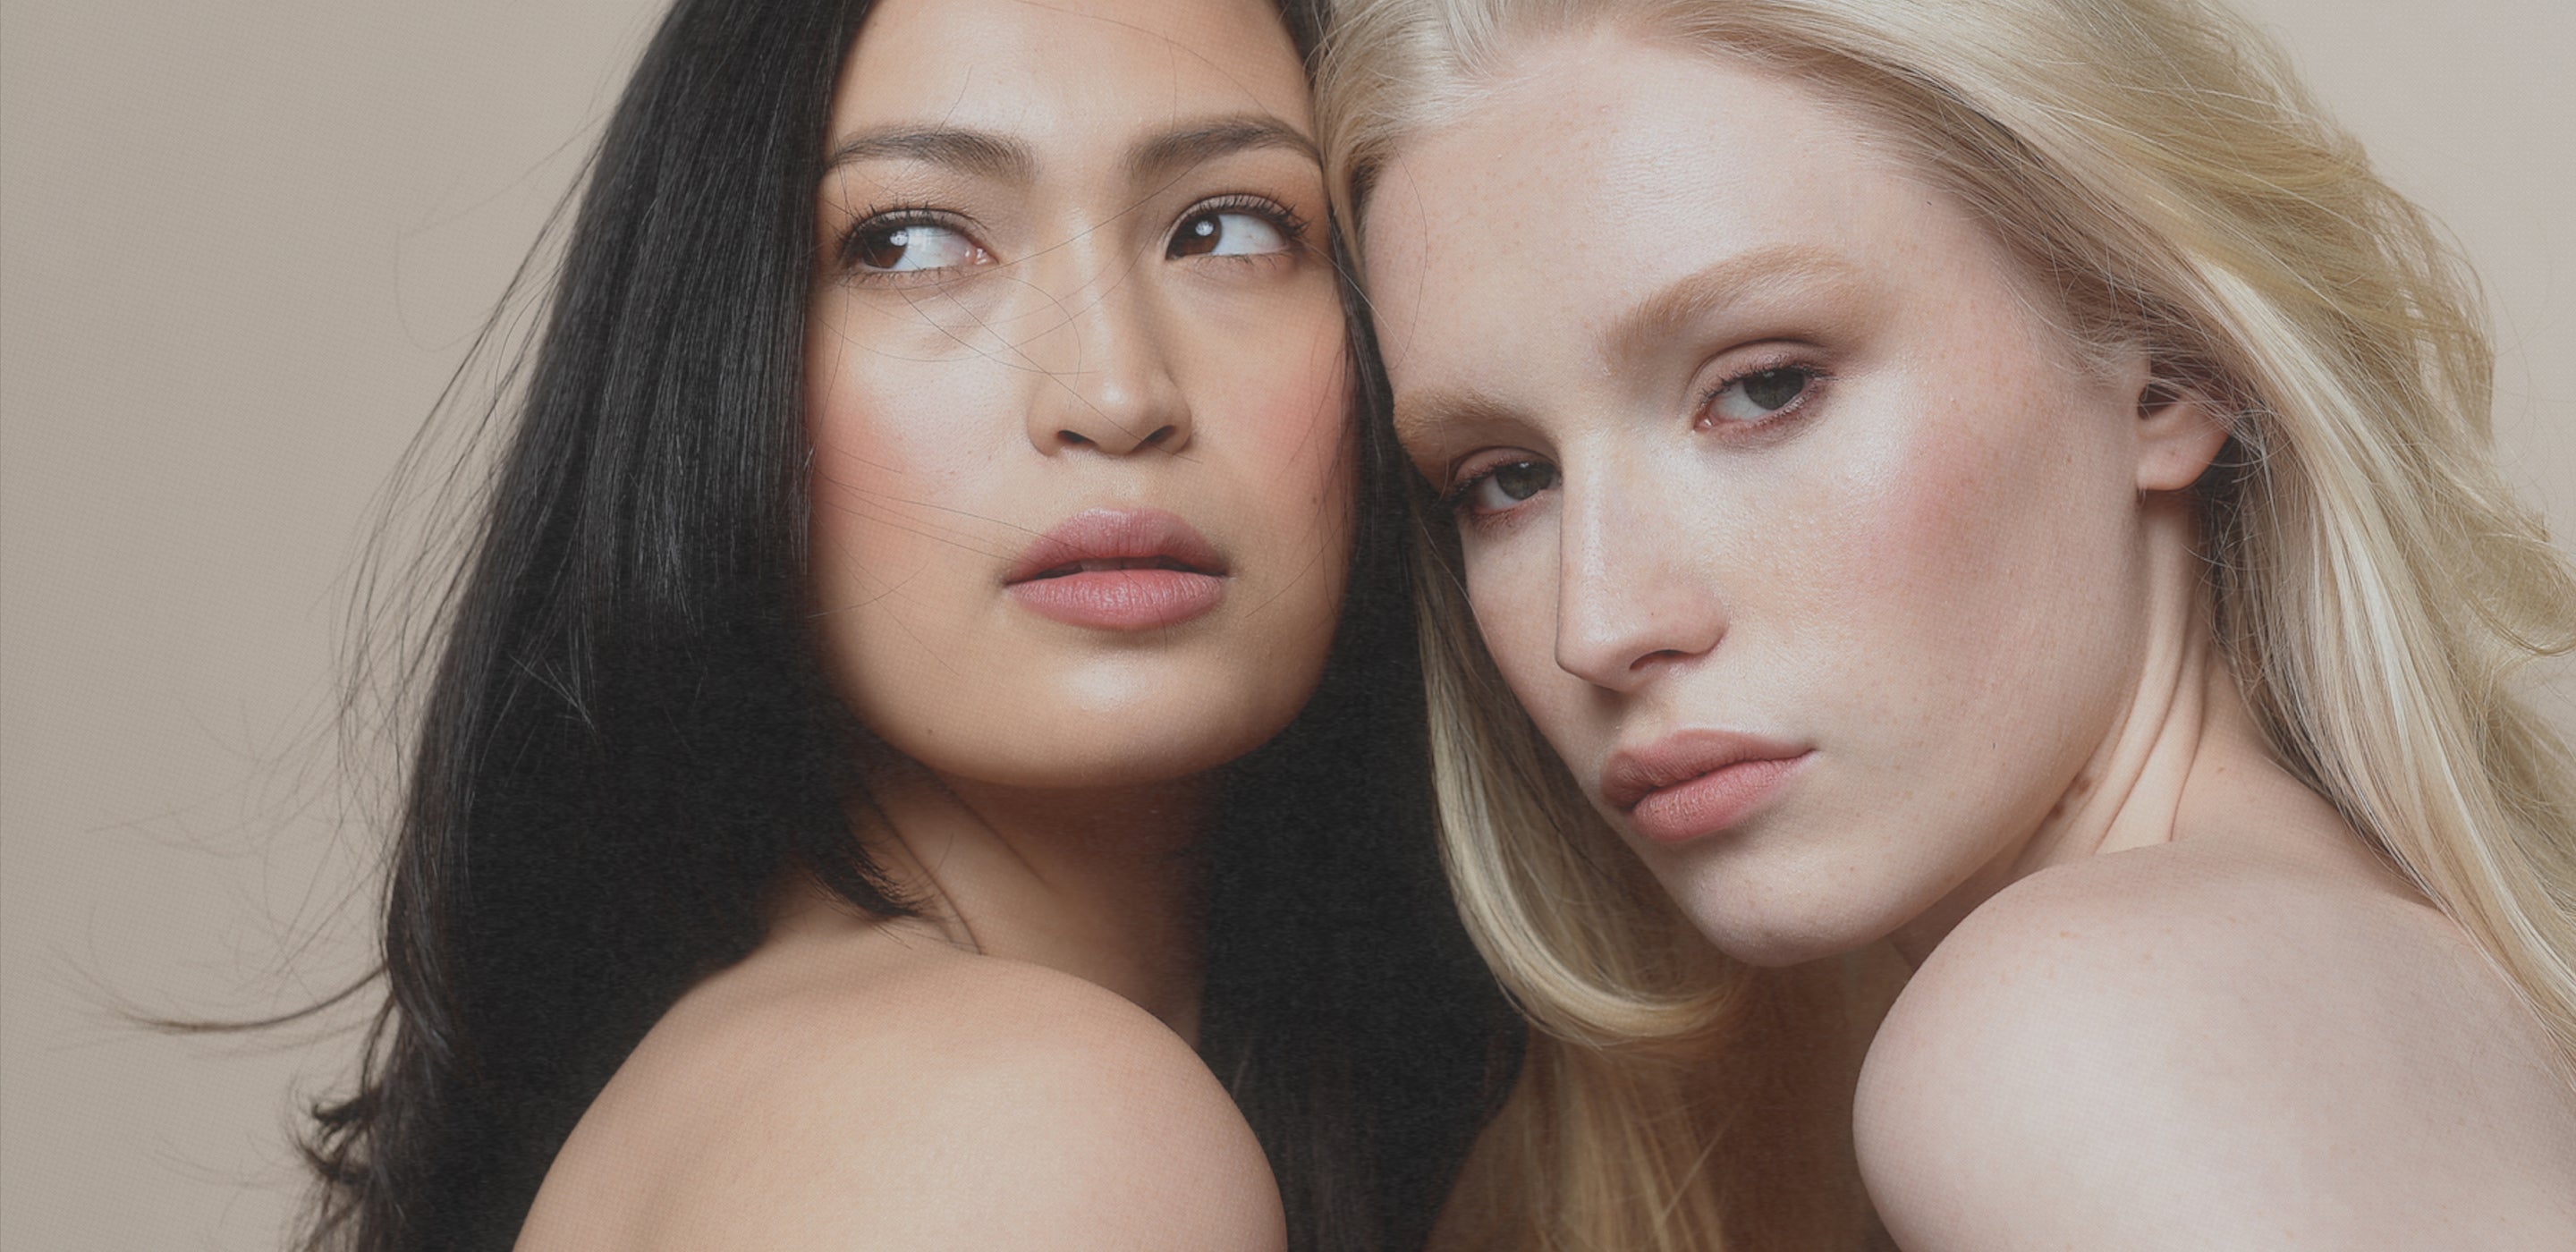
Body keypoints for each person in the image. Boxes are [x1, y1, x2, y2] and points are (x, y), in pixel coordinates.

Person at [1319, 0, 2576, 1246]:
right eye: (1506, 480)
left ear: (2168, 367)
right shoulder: (2363, 983)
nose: (1596, 625)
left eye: (1762, 389)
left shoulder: (2082, 1032)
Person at [288, 0, 1516, 1248]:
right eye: (913, 242)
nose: (1115, 392)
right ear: (722, 368)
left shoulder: (787, 1086)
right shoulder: (1023, 1129)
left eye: (1228, 228)